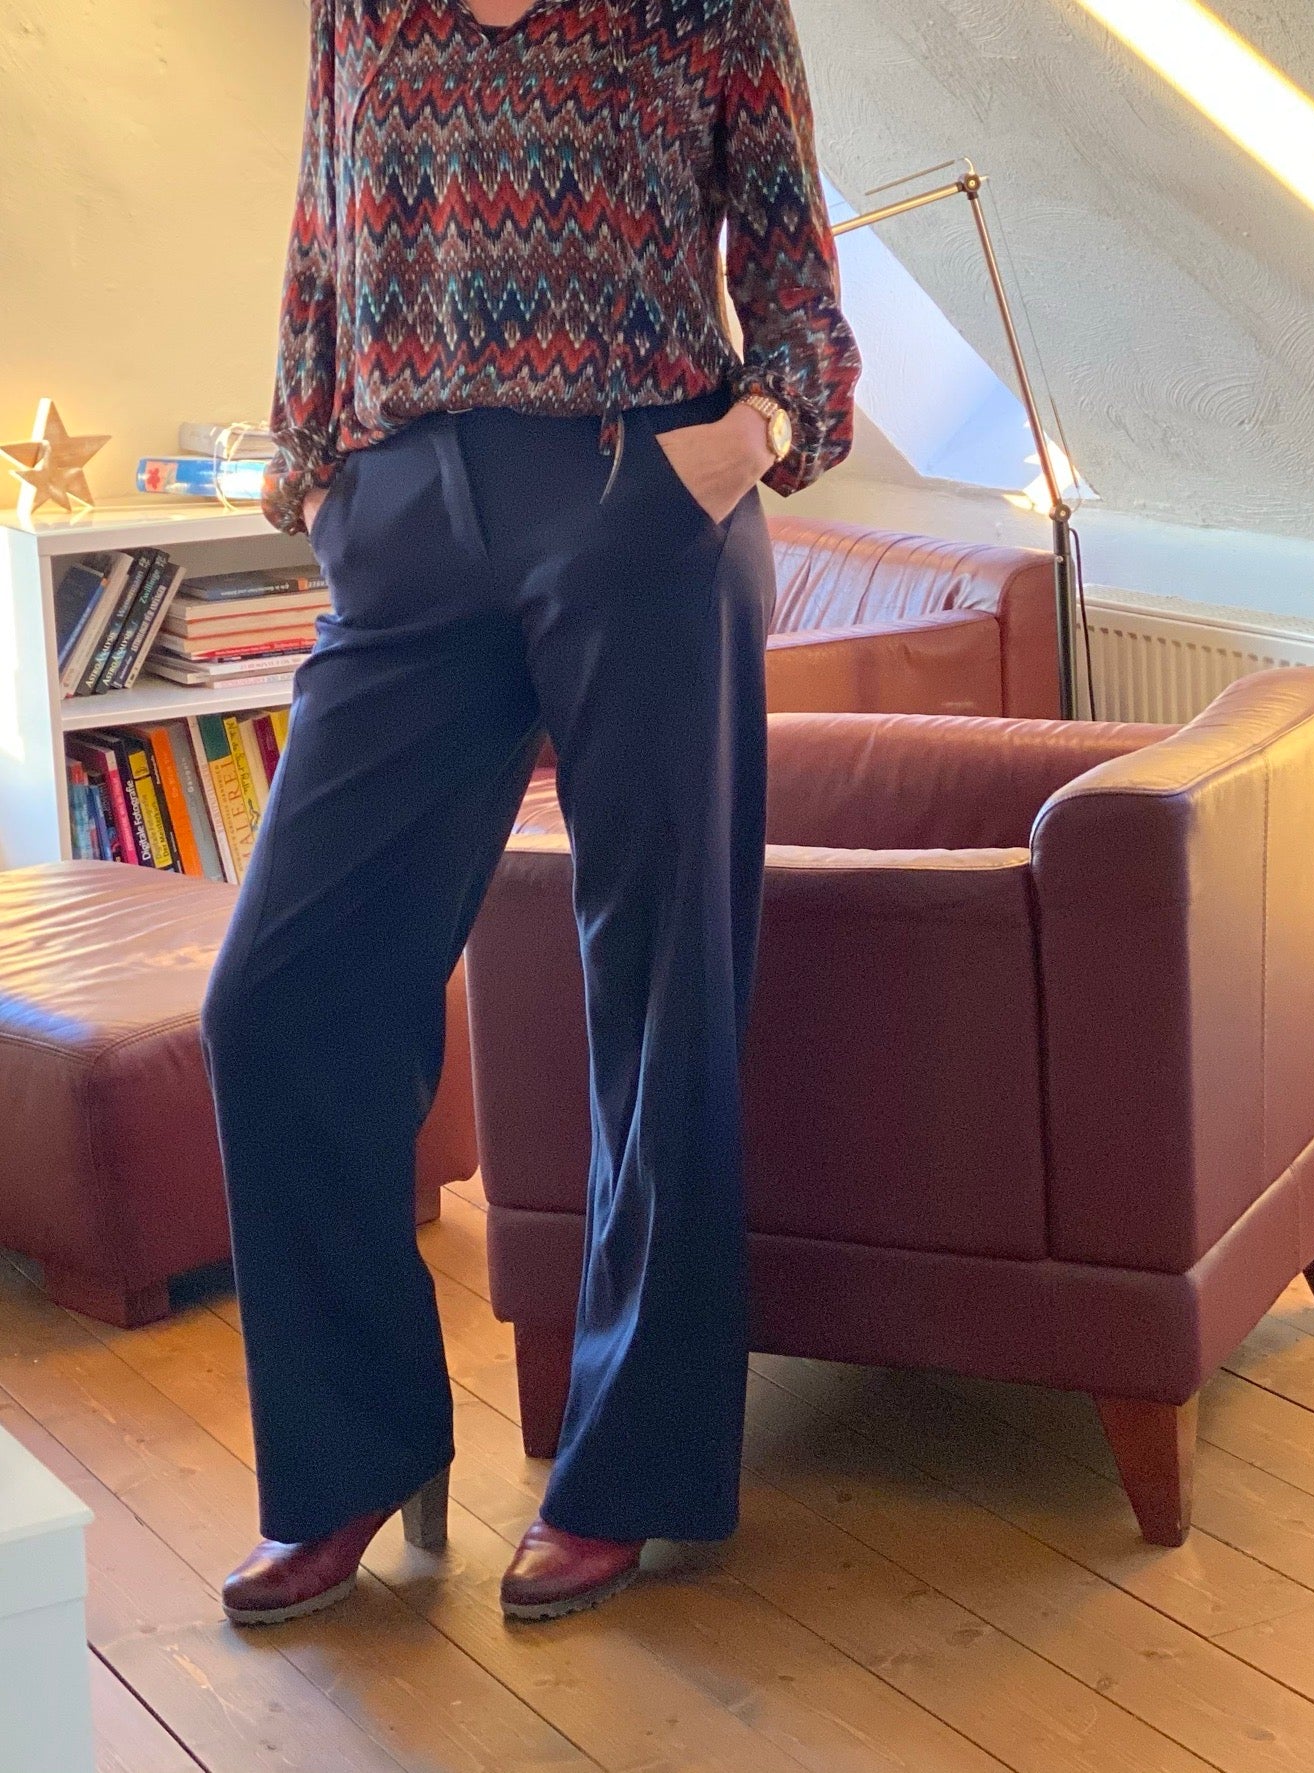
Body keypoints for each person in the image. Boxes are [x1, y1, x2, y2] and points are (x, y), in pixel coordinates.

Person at [202, 0, 861, 1628]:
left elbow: (792, 259)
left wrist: (748, 440)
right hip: (405, 518)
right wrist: (316, 468)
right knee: (279, 995)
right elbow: (321, 237)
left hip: (645, 500)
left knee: (661, 992)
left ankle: (630, 1469)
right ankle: (350, 1451)